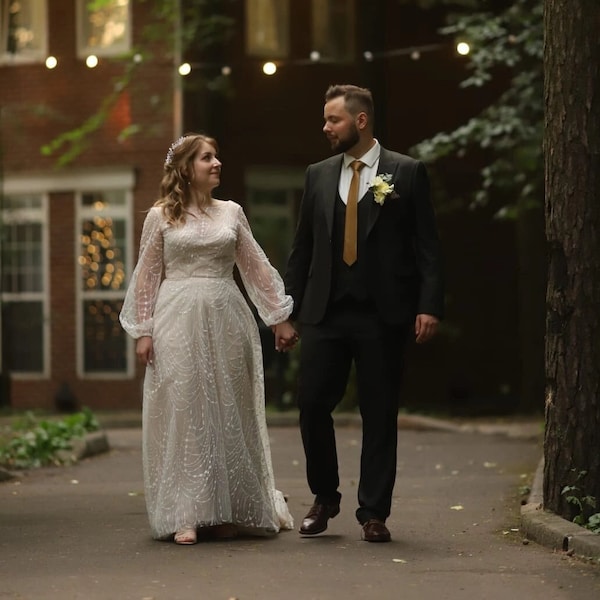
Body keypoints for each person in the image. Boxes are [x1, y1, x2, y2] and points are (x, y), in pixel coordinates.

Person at [120, 133, 298, 545]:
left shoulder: (231, 213)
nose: (216, 163)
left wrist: (278, 319)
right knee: (185, 409)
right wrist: (143, 331)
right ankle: (186, 512)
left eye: (216, 156)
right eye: (206, 158)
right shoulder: (161, 216)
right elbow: (147, 276)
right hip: (176, 318)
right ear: (185, 169)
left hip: (226, 316)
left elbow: (255, 267)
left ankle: (224, 510)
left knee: (225, 407)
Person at [284, 84, 444, 543]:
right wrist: (286, 312)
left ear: (360, 121)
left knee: (379, 412)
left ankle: (373, 512)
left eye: (333, 119)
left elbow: (428, 248)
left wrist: (429, 305)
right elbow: (302, 249)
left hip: (384, 315)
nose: (325, 128)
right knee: (312, 402)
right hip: (325, 313)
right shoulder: (317, 175)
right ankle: (324, 497)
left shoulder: (406, 172)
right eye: (325, 119)